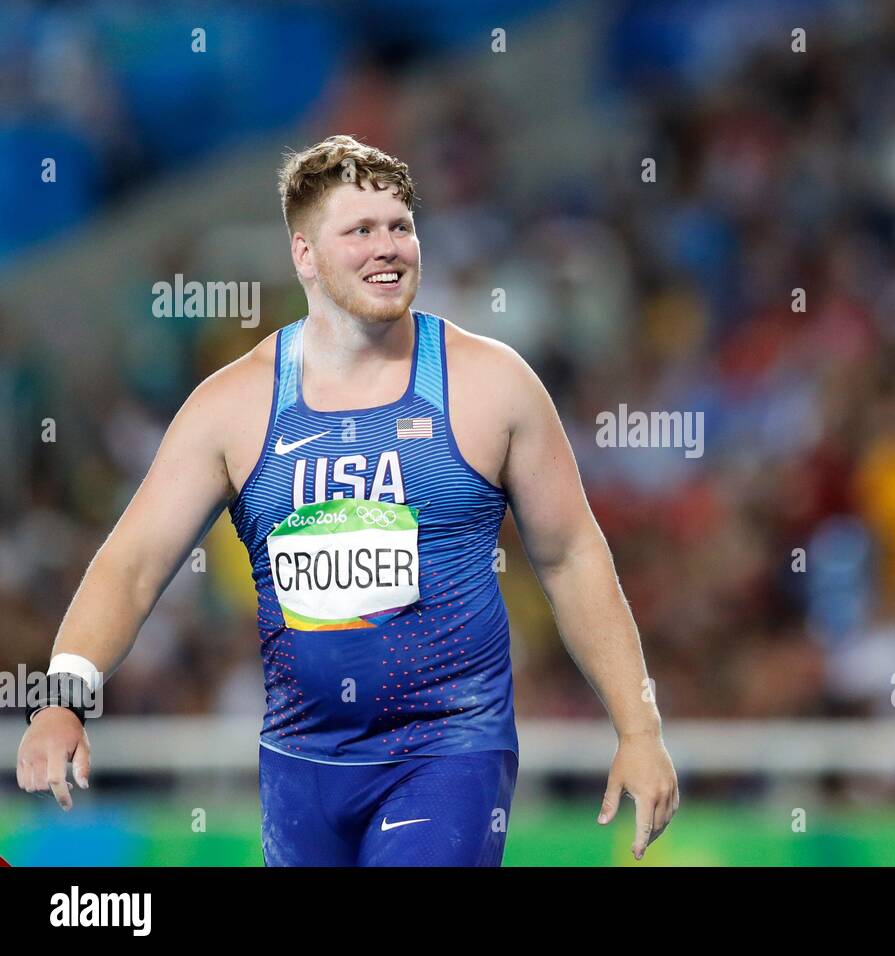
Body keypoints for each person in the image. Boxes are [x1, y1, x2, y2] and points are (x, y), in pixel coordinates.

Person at [16, 134, 678, 866]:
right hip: (301, 764)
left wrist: (639, 730)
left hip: (449, 751)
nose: (387, 247)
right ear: (304, 254)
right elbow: (132, 563)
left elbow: (571, 556)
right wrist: (62, 697)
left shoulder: (492, 385)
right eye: (359, 231)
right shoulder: (232, 406)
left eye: (400, 226)